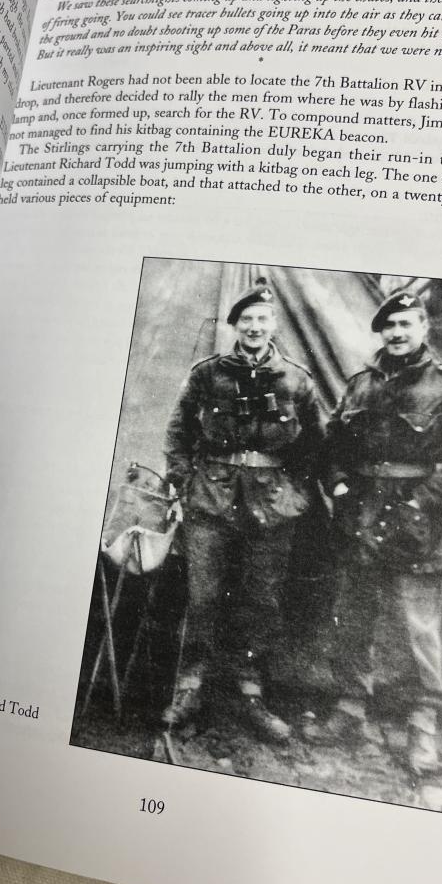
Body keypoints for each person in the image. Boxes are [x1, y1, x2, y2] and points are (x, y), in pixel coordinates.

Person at [310, 289, 442, 776]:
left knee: (418, 630)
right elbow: (333, 445)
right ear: (381, 332)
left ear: (423, 328)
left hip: (416, 524)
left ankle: (423, 727)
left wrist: (419, 503)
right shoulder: (360, 385)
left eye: (407, 324)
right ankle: (350, 711)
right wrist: (338, 484)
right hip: (360, 518)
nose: (397, 333)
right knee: (353, 620)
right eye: (389, 325)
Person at [163, 277, 323, 741]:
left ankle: (251, 692)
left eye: (262, 319)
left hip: (271, 505)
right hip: (211, 500)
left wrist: (295, 493)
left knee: (261, 601)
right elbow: (178, 432)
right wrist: (184, 481)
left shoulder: (296, 379)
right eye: (247, 319)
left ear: (274, 324)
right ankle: (190, 688)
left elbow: (316, 444)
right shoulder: (207, 374)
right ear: (234, 325)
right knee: (203, 596)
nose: (255, 327)